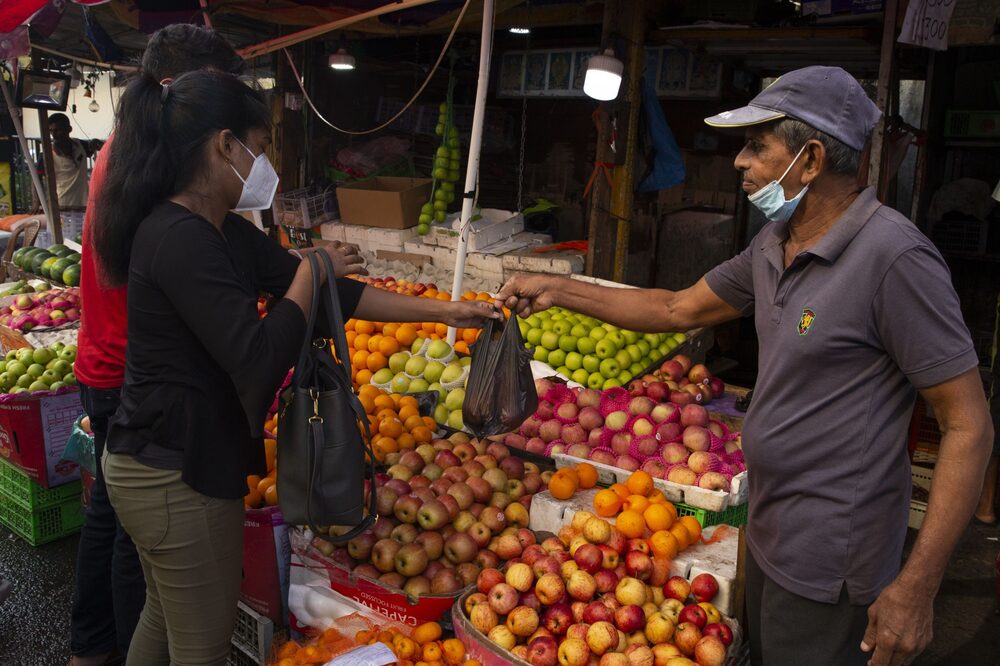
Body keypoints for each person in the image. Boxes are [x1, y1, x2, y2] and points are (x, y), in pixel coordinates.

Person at [497, 66, 994, 666]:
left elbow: (969, 425)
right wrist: (557, 289)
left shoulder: (895, 259)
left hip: (831, 558)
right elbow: (676, 308)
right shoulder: (774, 243)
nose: (740, 161)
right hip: (766, 530)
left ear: (811, 161)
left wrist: (917, 587)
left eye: (757, 146)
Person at [93, 69, 494, 666]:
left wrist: (447, 312)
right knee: (201, 646)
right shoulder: (179, 238)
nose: (266, 164)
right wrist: (311, 270)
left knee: (162, 615)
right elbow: (257, 360)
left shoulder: (216, 230)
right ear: (224, 145)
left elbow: (336, 293)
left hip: (163, 461)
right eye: (259, 148)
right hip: (175, 473)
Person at [71, 24, 246, 666]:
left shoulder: (127, 149)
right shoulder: (150, 167)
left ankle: (93, 646)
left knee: (115, 522)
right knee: (134, 543)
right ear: (177, 90)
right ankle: (108, 648)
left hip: (111, 360)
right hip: (131, 370)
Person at [48, 113, 102, 208]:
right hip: (62, 204)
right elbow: (37, 178)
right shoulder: (47, 153)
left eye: (58, 130)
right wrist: (36, 202)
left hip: (84, 203)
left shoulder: (80, 145)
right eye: (51, 131)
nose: (54, 135)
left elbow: (98, 147)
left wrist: (97, 142)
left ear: (69, 129)